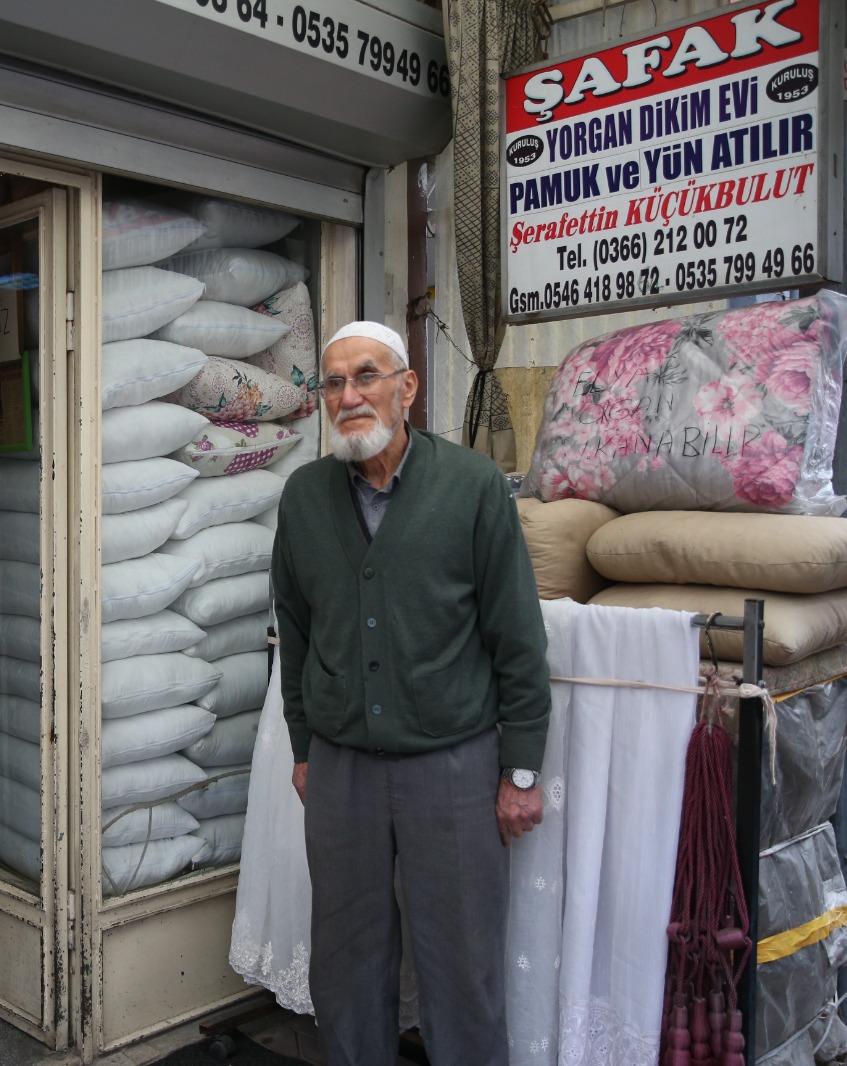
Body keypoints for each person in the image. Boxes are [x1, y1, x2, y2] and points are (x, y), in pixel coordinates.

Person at [271, 320, 552, 1066]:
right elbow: (295, 634)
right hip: (341, 770)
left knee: (461, 964)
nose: (349, 396)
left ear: (408, 387)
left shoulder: (472, 486)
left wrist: (520, 767)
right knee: (346, 961)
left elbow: (517, 638)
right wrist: (305, 749)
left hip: (453, 767)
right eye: (333, 383)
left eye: (366, 376)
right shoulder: (303, 497)